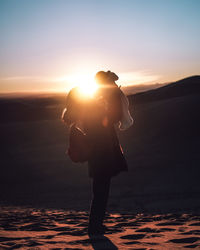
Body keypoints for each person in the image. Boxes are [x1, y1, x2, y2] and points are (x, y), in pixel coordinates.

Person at [62, 70, 130, 235]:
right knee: (101, 191)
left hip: (99, 154)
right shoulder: (94, 107)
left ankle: (96, 225)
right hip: (102, 154)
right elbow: (114, 115)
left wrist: (111, 89)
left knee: (100, 190)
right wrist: (113, 90)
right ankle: (94, 227)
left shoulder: (93, 105)